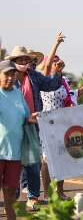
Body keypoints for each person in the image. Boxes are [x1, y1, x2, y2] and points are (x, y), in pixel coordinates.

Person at [6, 46, 62, 210]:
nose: (24, 62)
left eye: (26, 59)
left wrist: (57, 72)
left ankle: (33, 197)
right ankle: (13, 196)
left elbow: (51, 84)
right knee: (13, 162)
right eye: (20, 60)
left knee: (33, 163)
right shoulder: (7, 77)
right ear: (13, 62)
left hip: (32, 124)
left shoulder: (34, 76)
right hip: (12, 126)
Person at [40, 55, 83, 199]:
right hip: (47, 123)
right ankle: (48, 194)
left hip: (62, 124)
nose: (58, 65)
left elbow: (73, 96)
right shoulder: (44, 82)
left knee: (62, 158)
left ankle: (59, 191)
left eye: (59, 62)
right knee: (46, 160)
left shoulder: (63, 82)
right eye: (54, 63)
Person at [0, 60, 38, 220]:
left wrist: (31, 118)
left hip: (15, 154)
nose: (10, 77)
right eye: (6, 74)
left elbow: (24, 117)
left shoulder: (17, 94)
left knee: (10, 193)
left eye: (12, 74)